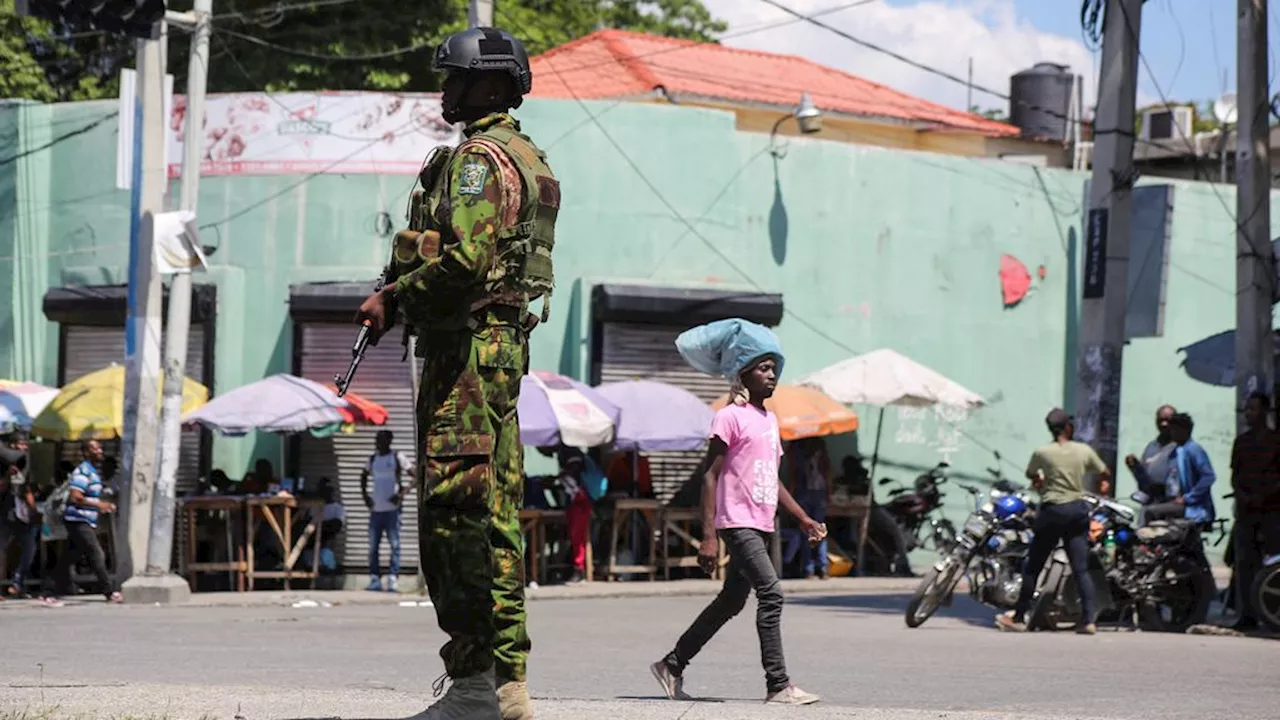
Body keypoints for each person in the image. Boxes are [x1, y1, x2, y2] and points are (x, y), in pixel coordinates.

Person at [355, 25, 556, 720]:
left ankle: (474, 682)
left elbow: (465, 263)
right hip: (497, 352)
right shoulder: (525, 155)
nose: (445, 90)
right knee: (495, 515)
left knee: (453, 518)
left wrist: (394, 298)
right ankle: (506, 684)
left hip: (465, 356)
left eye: (456, 79)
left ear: (493, 85)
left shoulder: (478, 160)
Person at [650, 344, 824, 705]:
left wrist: (803, 517)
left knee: (730, 602)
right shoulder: (729, 417)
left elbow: (771, 479)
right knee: (771, 594)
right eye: (763, 368)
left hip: (760, 521)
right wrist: (708, 537)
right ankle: (777, 684)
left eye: (774, 368)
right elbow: (709, 477)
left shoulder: (770, 420)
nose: (772, 374)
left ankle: (672, 664)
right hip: (736, 522)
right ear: (743, 375)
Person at [996, 408, 1110, 635]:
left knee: (1033, 567)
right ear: (1068, 427)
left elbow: (1031, 474)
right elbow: (1104, 472)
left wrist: (1040, 481)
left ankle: (1019, 617)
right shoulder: (1083, 450)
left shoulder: (1042, 452)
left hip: (1052, 511)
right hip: (1077, 510)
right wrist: (1103, 486)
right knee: (1080, 569)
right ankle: (1088, 620)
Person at [42, 440, 120, 607]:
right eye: (94, 448)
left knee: (68, 558)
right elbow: (75, 497)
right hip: (78, 520)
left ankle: (48, 592)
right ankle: (109, 592)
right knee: (96, 553)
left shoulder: (92, 472)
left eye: (99, 447)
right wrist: (100, 505)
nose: (99, 450)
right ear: (85, 453)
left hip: (84, 520)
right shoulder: (83, 472)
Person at [1225, 392, 1280, 631]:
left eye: (1254, 409)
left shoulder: (1275, 441)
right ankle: (1247, 615)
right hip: (1246, 512)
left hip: (1272, 510)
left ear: (1265, 412)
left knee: (1274, 565)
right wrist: (1244, 496)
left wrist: (1264, 496)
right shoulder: (1242, 442)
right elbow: (1235, 477)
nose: (1249, 413)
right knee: (1245, 564)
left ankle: (1272, 612)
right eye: (1246, 409)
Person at [1143, 413, 1217, 525]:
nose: (1171, 433)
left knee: (1151, 512)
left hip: (1193, 508)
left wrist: (1188, 498)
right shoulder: (1175, 450)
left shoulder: (1193, 450)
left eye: (1174, 430)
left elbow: (1208, 477)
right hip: (1174, 501)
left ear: (1184, 430)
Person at [360, 429, 410, 592]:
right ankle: (375, 579)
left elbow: (415, 475)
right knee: (373, 547)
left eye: (380, 440)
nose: (377, 443)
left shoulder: (397, 457)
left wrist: (402, 493)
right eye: (376, 440)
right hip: (376, 510)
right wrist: (365, 496)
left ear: (389, 441)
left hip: (392, 510)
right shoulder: (373, 459)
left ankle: (393, 578)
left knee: (395, 545)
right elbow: (363, 476)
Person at [0, 431, 38, 598]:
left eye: (25, 445)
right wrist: (8, 476)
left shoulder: (25, 464)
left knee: (30, 548)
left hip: (21, 513)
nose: (23, 448)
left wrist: (34, 510)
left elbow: (26, 488)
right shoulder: (3, 463)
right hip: (5, 512)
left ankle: (18, 584)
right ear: (12, 446)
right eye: (20, 444)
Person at [790, 438, 830, 579]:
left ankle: (809, 569)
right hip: (817, 492)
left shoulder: (796, 446)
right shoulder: (819, 444)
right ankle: (822, 567)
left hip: (804, 492)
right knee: (819, 530)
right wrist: (828, 492)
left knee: (807, 531)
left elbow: (793, 473)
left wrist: (790, 495)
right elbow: (826, 470)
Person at [1125, 404, 1177, 503]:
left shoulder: (1180, 447)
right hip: (1152, 501)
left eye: (1168, 420)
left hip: (1171, 503)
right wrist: (1136, 467)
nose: (1164, 424)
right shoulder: (1151, 447)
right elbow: (1144, 479)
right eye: (1160, 420)